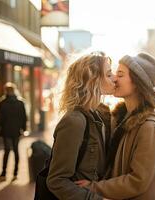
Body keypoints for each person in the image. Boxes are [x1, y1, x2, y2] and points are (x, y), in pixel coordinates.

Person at [76, 52, 155, 200]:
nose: (114, 78)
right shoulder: (120, 118)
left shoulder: (149, 127)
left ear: (137, 83)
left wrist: (94, 187)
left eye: (120, 74)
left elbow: (137, 181)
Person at [46, 52, 115, 199]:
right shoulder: (74, 121)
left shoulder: (99, 116)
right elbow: (56, 180)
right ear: (93, 80)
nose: (114, 78)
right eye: (109, 75)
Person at [0, 82, 27, 182]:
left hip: (6, 130)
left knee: (7, 151)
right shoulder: (20, 102)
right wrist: (23, 129)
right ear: (14, 90)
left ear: (5, 91)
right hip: (16, 131)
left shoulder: (1, 103)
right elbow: (24, 117)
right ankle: (15, 174)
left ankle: (4, 174)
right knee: (16, 151)